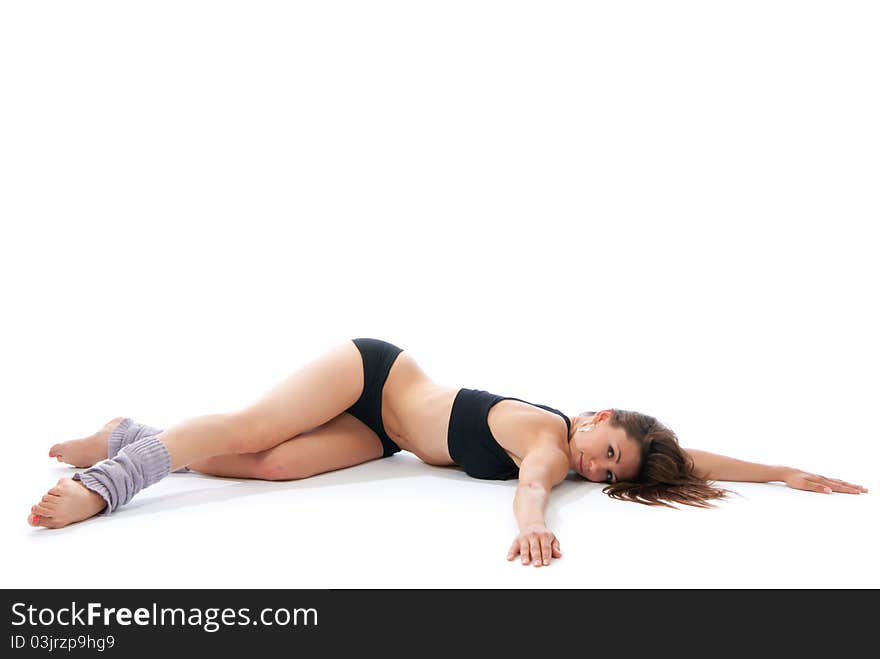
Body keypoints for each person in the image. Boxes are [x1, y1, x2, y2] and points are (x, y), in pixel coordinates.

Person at [29, 338, 867, 566]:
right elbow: (534, 483)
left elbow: (696, 456)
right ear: (596, 413)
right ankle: (114, 479)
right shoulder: (546, 438)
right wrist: (534, 524)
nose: (599, 469)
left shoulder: (588, 444)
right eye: (606, 450)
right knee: (252, 429)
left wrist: (785, 471)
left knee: (270, 467)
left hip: (385, 433)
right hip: (371, 369)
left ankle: (131, 432)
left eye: (610, 473)